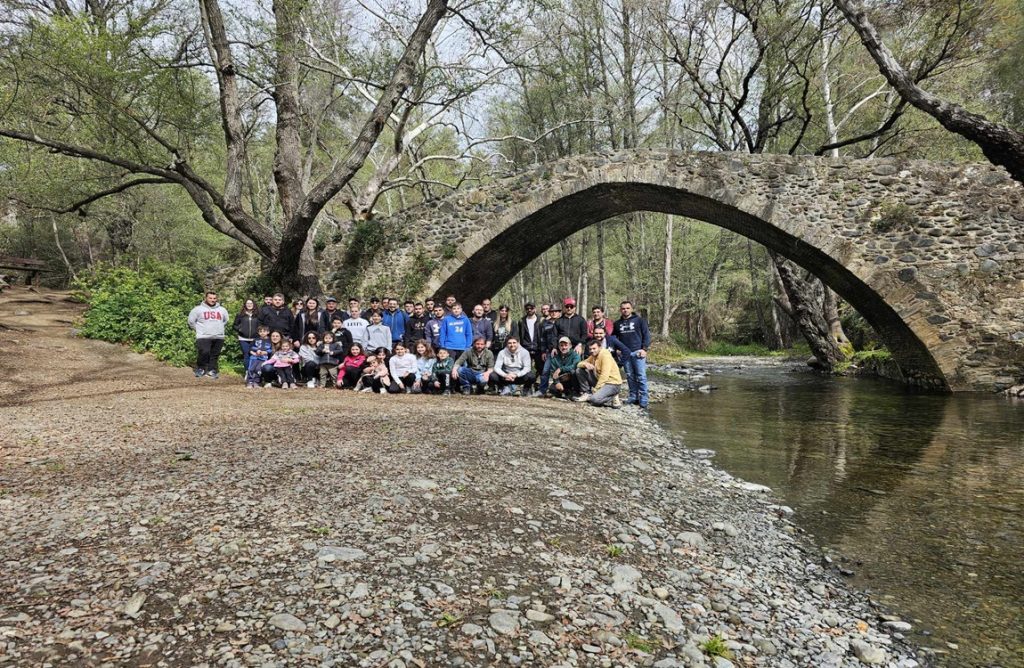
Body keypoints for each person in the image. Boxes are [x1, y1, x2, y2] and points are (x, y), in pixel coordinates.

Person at [612, 300, 651, 409]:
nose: (625, 310)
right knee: (629, 375)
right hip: (625, 354)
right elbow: (614, 338)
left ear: (631, 309)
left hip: (638, 352)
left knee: (641, 376)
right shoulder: (617, 323)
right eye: (623, 308)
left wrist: (644, 349)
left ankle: (643, 398)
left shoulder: (640, 321)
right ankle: (633, 396)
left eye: (627, 308)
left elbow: (646, 335)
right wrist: (617, 349)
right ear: (620, 310)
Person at [187, 291, 229, 379]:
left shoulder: (222, 310)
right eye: (210, 298)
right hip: (203, 336)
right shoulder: (198, 309)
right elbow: (191, 321)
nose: (212, 300)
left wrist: (218, 328)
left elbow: (225, 321)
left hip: (218, 336)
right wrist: (199, 329)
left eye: (214, 298)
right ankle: (201, 368)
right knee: (204, 352)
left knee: (215, 354)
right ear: (205, 298)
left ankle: (211, 370)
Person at [574, 339, 624, 408]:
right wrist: (585, 364)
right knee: (579, 370)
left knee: (594, 400)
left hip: (612, 383)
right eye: (590, 349)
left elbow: (604, 375)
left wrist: (596, 390)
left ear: (600, 348)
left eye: (594, 348)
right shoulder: (593, 356)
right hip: (601, 381)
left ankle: (613, 396)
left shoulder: (605, 355)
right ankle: (587, 393)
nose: (592, 351)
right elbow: (579, 364)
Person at [536, 304, 561, 395]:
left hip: (562, 351)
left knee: (560, 371)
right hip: (549, 351)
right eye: (552, 311)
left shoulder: (562, 322)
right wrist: (543, 351)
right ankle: (542, 390)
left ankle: (559, 390)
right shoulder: (545, 324)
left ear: (559, 312)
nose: (554, 313)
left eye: (556, 311)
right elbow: (542, 339)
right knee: (545, 370)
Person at [514, 302, 543, 375]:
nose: (529, 310)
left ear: (535, 309)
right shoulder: (521, 321)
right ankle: (528, 385)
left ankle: (538, 383)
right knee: (526, 368)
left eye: (531, 308)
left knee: (540, 368)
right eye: (527, 309)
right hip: (526, 347)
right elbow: (519, 335)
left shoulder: (541, 320)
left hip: (538, 347)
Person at [233, 298, 260, 371]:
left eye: (251, 303)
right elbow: (235, 325)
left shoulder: (258, 314)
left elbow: (261, 325)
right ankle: (247, 372)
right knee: (246, 354)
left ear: (254, 305)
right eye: (247, 303)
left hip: (255, 338)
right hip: (243, 338)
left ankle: (254, 371)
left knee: (254, 355)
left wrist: (259, 332)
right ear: (245, 305)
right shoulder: (240, 314)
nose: (249, 305)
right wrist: (240, 329)